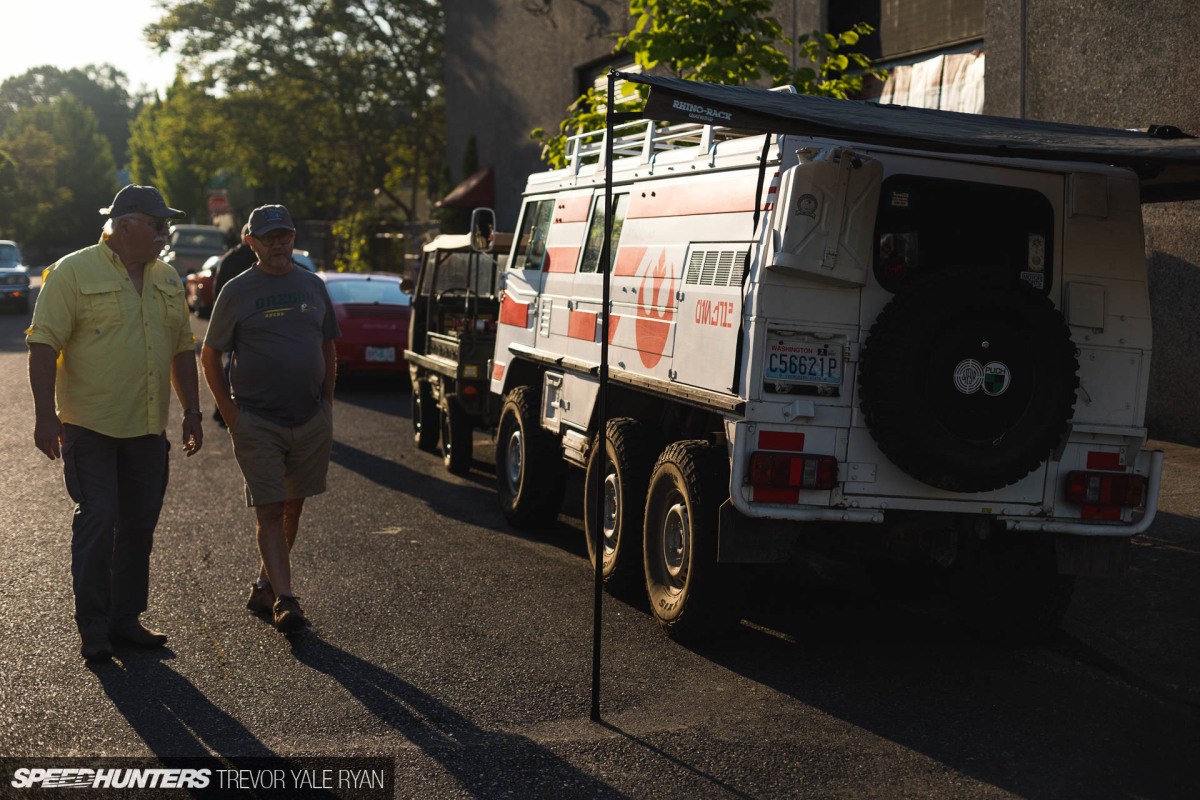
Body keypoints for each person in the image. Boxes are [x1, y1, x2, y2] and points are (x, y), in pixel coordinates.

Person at [26, 184, 203, 662]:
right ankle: (94, 626)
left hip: (147, 428)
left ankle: (126, 620)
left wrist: (191, 410)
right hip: (91, 426)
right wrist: (45, 416)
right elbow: (43, 345)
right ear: (124, 226)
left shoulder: (167, 278)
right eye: (157, 224)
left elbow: (183, 348)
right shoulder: (72, 271)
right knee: (100, 517)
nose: (165, 234)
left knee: (138, 526)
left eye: (166, 224)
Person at [200, 204, 339, 633]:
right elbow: (211, 354)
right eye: (268, 237)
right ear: (251, 243)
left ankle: (264, 584)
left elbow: (328, 347)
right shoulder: (238, 290)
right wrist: (231, 414)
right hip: (257, 419)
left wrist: (327, 406)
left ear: (293, 238)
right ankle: (287, 601)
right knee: (270, 509)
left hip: (309, 418)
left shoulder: (313, 286)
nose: (278, 243)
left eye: (284, 235)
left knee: (292, 508)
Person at [209, 223, 256, 427]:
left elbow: (217, 291)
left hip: (233, 318)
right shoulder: (259, 259)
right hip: (256, 317)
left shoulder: (229, 259)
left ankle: (223, 407)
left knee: (231, 361)